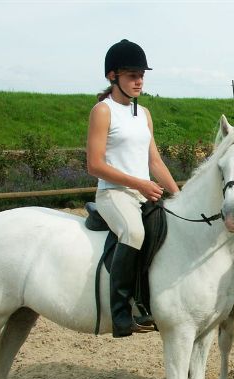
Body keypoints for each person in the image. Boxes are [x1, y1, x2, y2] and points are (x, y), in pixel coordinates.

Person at [86, 39, 180, 338]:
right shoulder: (103, 111)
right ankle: (121, 314)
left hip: (143, 192)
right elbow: (94, 165)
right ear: (112, 76)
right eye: (132, 75)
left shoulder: (144, 113)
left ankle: (148, 300)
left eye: (141, 75)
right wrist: (138, 183)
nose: (139, 81)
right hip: (113, 193)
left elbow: (154, 161)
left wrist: (179, 195)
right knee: (134, 233)